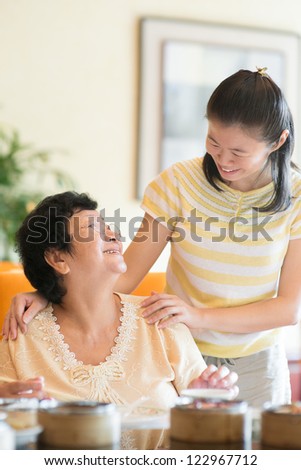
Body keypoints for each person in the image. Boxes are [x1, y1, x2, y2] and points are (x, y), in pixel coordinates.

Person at [3, 67, 300, 407]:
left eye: (239, 152)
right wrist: (47, 295)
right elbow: (124, 274)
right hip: (183, 355)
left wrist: (197, 316)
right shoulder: (178, 183)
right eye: (214, 142)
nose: (223, 160)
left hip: (258, 365)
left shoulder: (297, 198)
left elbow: (287, 309)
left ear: (278, 142)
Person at [0, 191, 238, 448]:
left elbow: (203, 431)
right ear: (58, 258)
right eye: (93, 227)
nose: (114, 235)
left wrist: (204, 404)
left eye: (108, 226)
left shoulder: (160, 319)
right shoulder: (20, 334)